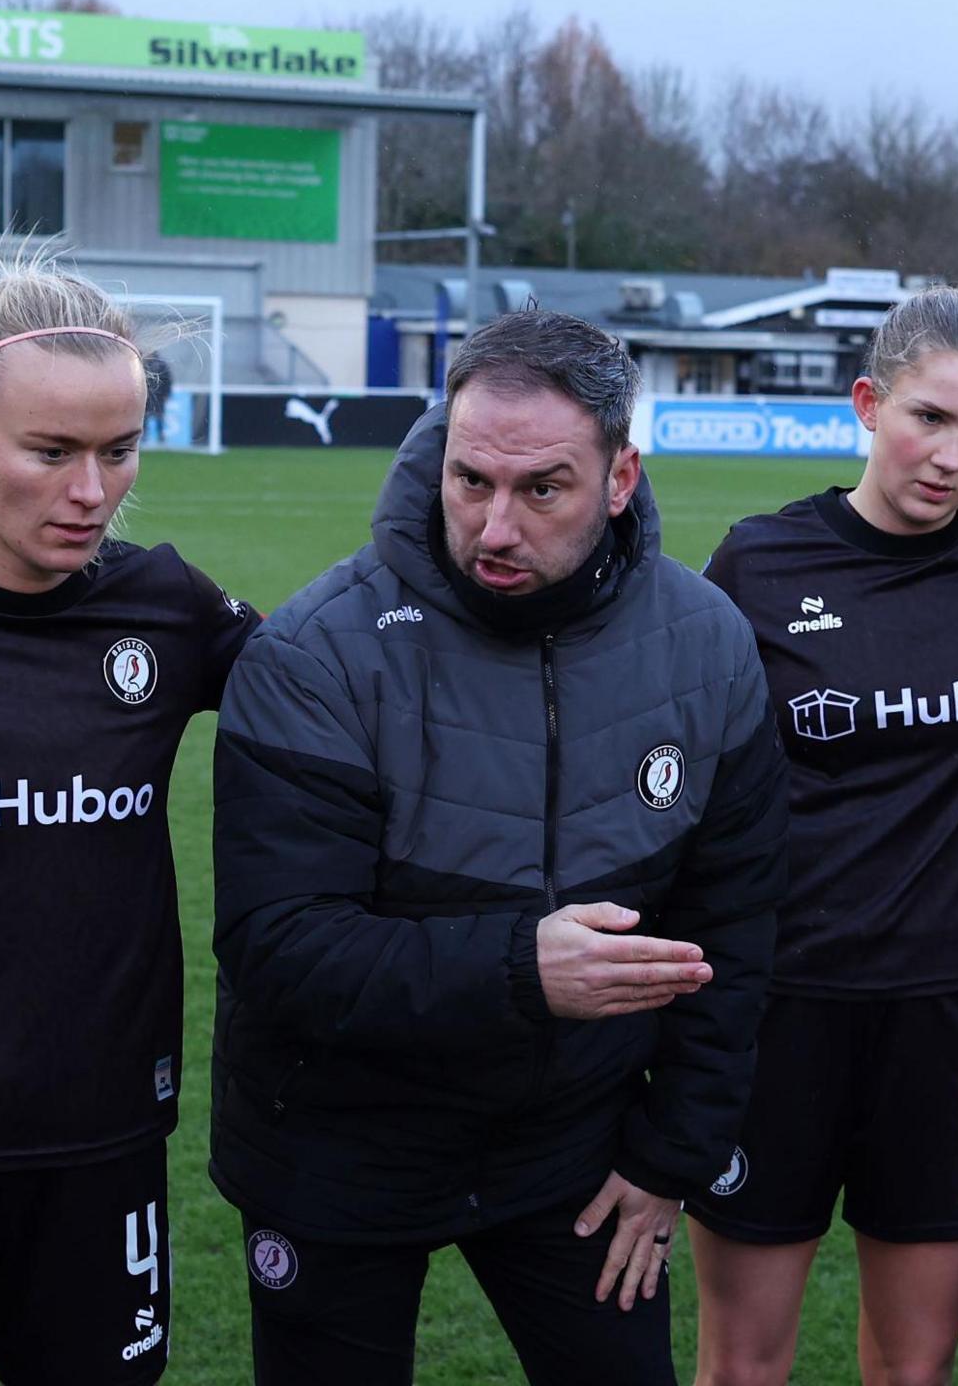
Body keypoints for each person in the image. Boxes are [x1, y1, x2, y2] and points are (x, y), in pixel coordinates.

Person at [210, 309, 789, 1384]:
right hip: (337, 1148)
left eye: (542, 490)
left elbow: (734, 924)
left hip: (573, 1150)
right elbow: (277, 944)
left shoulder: (705, 643)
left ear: (620, 479)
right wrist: (523, 969)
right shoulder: (316, 651)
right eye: (471, 480)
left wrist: (670, 1161)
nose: (496, 527)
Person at [687, 287, 958, 1386]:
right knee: (744, 1364)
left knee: (915, 1369)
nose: (952, 455)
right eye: (929, 417)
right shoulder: (759, 563)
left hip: (945, 1018)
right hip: (776, 1015)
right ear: (868, 404)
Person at [0, 256, 259, 1384]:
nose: (91, 491)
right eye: (52, 452)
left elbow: (349, 679)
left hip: (102, 1142)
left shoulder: (165, 605)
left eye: (118, 452)